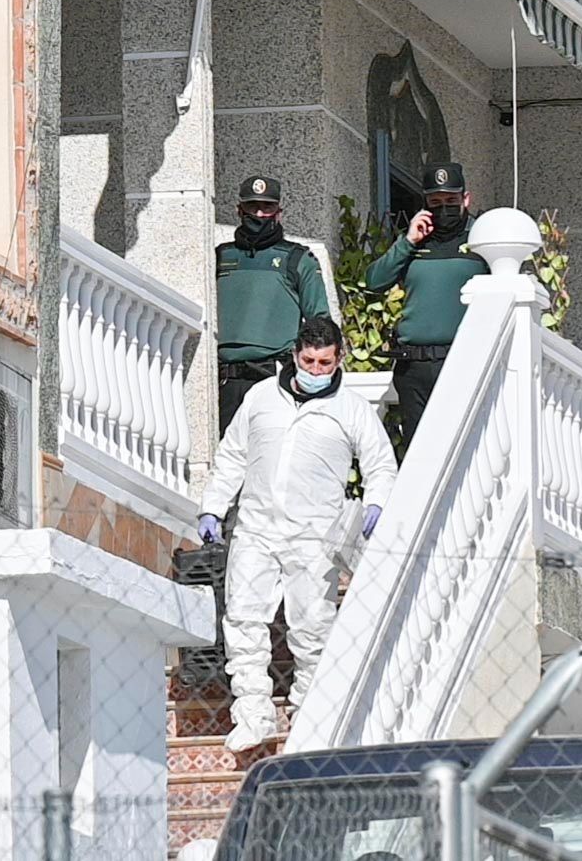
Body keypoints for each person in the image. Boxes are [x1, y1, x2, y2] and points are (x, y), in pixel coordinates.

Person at [197, 316, 397, 752]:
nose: (316, 369)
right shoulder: (261, 398)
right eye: (308, 360)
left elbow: (380, 463)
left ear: (338, 359)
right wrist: (213, 507)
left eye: (325, 362)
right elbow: (232, 455)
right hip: (256, 527)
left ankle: (309, 718)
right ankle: (252, 714)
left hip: (315, 535)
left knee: (312, 629)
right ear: (294, 355)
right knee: (244, 619)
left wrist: (377, 502)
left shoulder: (353, 410)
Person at [363, 162, 487, 445]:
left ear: (466, 199)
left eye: (451, 201)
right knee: (419, 450)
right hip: (413, 368)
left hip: (461, 362)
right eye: (436, 202)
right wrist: (407, 241)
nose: (444, 208)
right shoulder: (416, 242)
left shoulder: (481, 240)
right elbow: (374, 282)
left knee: (464, 447)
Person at [216, 174, 332, 431]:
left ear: (279, 212)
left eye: (267, 207)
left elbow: (320, 324)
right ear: (239, 210)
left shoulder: (298, 259)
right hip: (225, 382)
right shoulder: (220, 256)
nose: (259, 213)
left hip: (274, 377)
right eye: (252, 206)